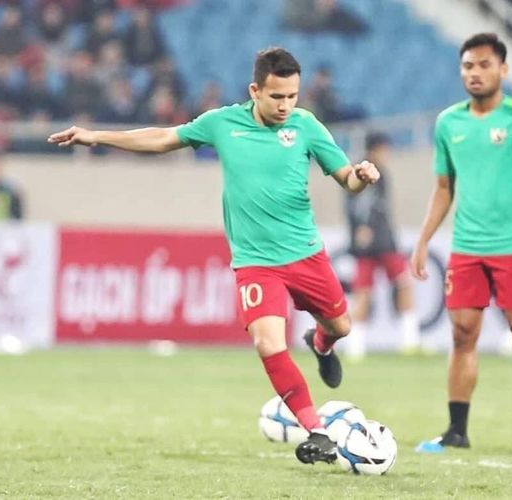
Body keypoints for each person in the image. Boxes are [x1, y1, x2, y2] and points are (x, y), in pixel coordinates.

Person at [47, 47, 380, 466]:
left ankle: (321, 344)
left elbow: (346, 178)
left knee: (342, 325)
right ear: (255, 90)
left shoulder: (307, 126)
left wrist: (361, 177)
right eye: (277, 96)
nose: (285, 105)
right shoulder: (223, 123)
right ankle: (317, 431)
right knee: (267, 342)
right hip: (256, 263)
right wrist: (97, 136)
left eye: (292, 96)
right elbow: (164, 138)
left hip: (306, 255)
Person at [410, 33, 512, 452]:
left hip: (511, 247)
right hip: (466, 248)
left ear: (503, 70)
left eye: (483, 65)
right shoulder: (448, 123)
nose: (475, 73)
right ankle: (457, 431)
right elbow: (443, 188)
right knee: (461, 335)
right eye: (468, 66)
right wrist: (423, 241)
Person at [344, 132, 420, 359]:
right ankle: (409, 339)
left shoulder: (354, 171)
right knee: (400, 284)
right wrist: (364, 227)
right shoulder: (371, 172)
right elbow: (365, 204)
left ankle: (356, 347)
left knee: (365, 290)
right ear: (375, 149)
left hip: (371, 242)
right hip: (380, 241)